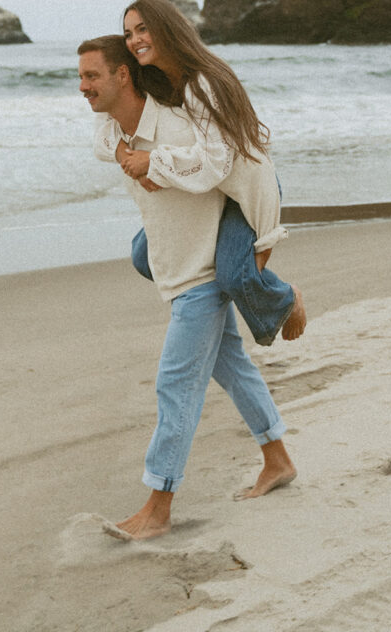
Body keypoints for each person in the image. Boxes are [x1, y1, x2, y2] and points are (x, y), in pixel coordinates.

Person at [78, 36, 298, 541]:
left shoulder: (181, 130)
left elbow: (251, 168)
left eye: (92, 76)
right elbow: (96, 139)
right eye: (82, 77)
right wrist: (121, 151)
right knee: (233, 365)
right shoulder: (114, 127)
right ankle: (278, 459)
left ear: (123, 76)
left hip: (202, 277)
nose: (83, 87)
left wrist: (263, 254)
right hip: (174, 270)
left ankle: (158, 505)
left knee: (176, 387)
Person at [98, 0, 306, 345]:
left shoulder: (203, 82)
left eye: (143, 29)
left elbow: (218, 161)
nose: (134, 40)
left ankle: (287, 298)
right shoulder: (156, 81)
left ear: (167, 28)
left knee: (235, 278)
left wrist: (153, 162)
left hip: (243, 194)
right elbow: (105, 120)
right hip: (208, 193)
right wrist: (122, 151)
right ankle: (213, 301)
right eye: (128, 33)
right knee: (141, 256)